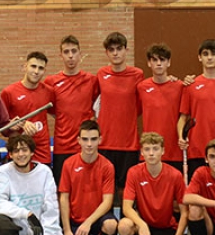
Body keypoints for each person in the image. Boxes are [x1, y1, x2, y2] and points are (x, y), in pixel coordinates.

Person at [117, 133, 188, 235]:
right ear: (142, 152)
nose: (151, 153)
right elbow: (126, 207)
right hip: (145, 228)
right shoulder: (134, 172)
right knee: (124, 226)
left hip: (167, 228)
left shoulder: (175, 175)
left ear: (163, 151)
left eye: (155, 149)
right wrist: (142, 224)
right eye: (147, 149)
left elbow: (185, 212)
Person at [58, 121, 117, 235]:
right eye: (85, 139)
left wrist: (89, 222)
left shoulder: (107, 166)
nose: (89, 144)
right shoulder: (68, 164)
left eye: (93, 139)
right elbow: (64, 198)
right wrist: (66, 229)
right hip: (76, 221)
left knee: (111, 225)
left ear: (100, 140)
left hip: (96, 219)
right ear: (78, 140)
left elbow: (108, 201)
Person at [44, 35, 99, 186]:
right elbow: (53, 110)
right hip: (63, 146)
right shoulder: (51, 82)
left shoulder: (92, 80)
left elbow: (98, 106)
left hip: (86, 145)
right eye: (66, 52)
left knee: (88, 189)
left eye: (74, 51)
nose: (70, 56)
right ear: (60, 55)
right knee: (63, 190)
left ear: (80, 54)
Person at [96, 32, 144, 192]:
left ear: (126, 50)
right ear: (107, 53)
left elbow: (141, 104)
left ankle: (127, 218)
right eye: (111, 50)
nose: (115, 53)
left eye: (119, 49)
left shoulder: (138, 74)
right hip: (105, 143)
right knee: (105, 191)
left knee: (126, 191)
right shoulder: (101, 74)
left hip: (129, 144)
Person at [178, 39, 215, 173]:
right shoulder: (190, 85)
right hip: (196, 148)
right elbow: (183, 118)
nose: (209, 57)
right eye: (205, 54)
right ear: (200, 57)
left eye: (213, 54)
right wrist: (181, 137)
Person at [0, 51, 55, 165]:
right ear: (25, 67)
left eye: (40, 68)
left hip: (42, 153)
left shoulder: (49, 91)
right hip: (18, 152)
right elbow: (2, 127)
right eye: (33, 66)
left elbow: (57, 114)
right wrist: (20, 123)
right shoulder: (9, 92)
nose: (36, 71)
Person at [137, 43, 184, 171]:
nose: (158, 64)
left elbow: (187, 116)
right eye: (155, 60)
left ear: (168, 62)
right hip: (149, 152)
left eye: (162, 60)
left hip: (173, 152)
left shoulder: (180, 86)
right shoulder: (141, 87)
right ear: (149, 63)